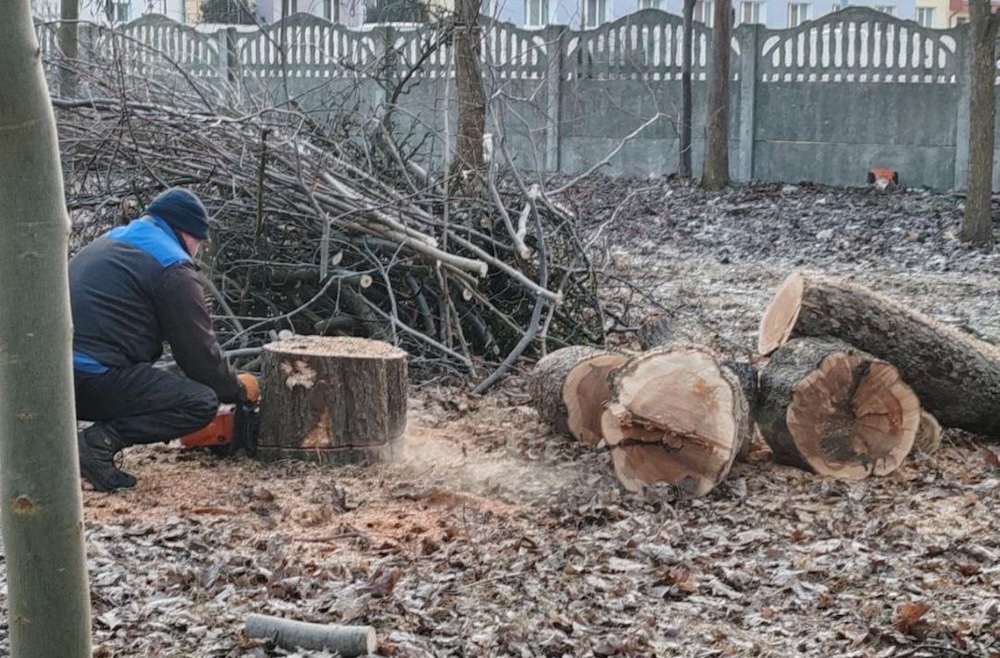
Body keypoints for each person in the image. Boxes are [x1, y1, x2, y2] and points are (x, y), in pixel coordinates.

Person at [70, 187, 250, 492]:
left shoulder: (113, 240)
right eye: (198, 242)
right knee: (199, 401)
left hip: (48, 378)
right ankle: (96, 445)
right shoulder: (172, 268)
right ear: (185, 232)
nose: (197, 251)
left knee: (163, 378)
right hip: (89, 378)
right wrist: (237, 390)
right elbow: (200, 357)